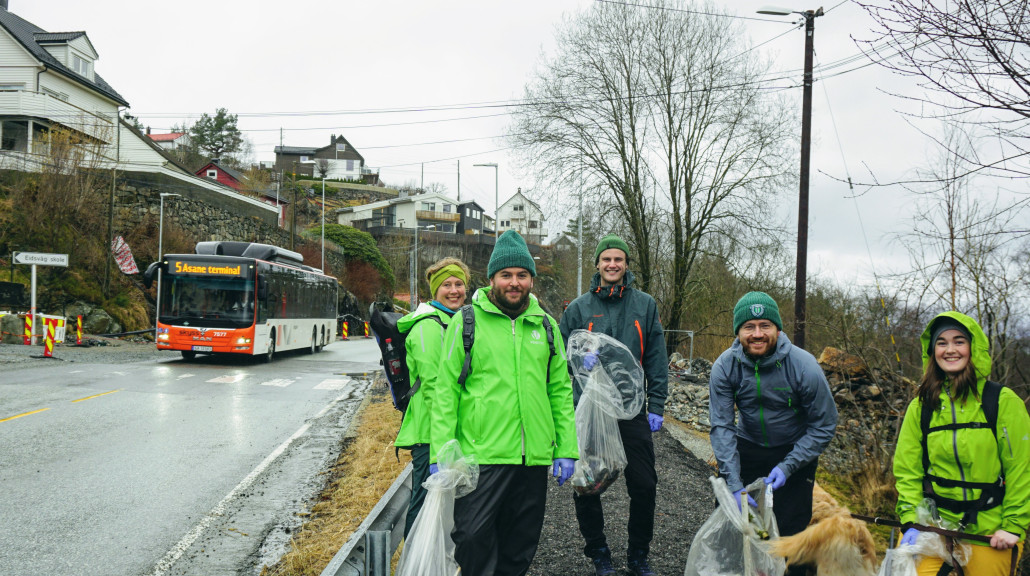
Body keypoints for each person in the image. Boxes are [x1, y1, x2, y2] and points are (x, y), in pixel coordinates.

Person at [430, 230, 578, 576]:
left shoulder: (546, 326)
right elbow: (446, 392)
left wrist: (566, 448)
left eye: (522, 275)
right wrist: (441, 451)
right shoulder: (466, 322)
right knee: (472, 538)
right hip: (480, 457)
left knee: (520, 546)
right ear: (492, 279)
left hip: (531, 459)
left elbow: (559, 391)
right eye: (506, 275)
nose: (514, 282)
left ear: (531, 279)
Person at [559, 234, 668, 576]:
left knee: (644, 484)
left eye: (618, 259)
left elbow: (656, 357)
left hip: (632, 409)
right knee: (587, 484)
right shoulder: (578, 308)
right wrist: (578, 361)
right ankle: (599, 553)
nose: (612, 264)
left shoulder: (644, 305)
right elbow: (559, 357)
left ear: (626, 265)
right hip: (591, 408)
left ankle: (638, 555)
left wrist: (657, 404)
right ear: (597, 263)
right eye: (606, 259)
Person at [708, 291, 838, 575]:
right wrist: (733, 483)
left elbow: (824, 424)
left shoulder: (804, 366)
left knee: (792, 537)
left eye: (765, 325)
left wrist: (789, 465)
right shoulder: (725, 366)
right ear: (738, 332)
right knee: (733, 526)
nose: (757, 334)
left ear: (778, 329)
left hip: (793, 450)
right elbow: (722, 426)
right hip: (748, 445)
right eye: (749, 327)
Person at [893, 311, 1030, 575]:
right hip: (932, 526)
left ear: (973, 348)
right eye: (942, 343)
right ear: (932, 352)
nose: (950, 350)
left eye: (959, 341)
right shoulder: (921, 406)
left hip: (990, 529)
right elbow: (907, 469)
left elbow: (1022, 467)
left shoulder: (1003, 401)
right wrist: (910, 519)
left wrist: (1013, 525)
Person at [393, 257, 470, 537]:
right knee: (424, 503)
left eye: (459, 284)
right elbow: (435, 387)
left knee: (442, 504)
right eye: (446, 285)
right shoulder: (428, 326)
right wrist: (443, 439)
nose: (454, 290)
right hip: (429, 433)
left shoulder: (454, 322)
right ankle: (414, 556)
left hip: (446, 430)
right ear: (435, 290)